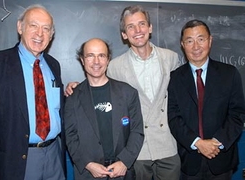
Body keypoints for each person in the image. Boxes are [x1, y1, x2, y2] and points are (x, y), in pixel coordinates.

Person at [65, 5, 181, 180]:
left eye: (142, 24)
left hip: (165, 146)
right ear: (124, 34)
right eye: (130, 26)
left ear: (150, 28)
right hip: (137, 155)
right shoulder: (116, 67)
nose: (138, 30)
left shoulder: (171, 59)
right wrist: (74, 87)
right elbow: (94, 81)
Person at [0, 4, 66, 180]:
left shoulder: (54, 65)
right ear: (20, 27)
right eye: (33, 25)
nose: (40, 33)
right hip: (15, 160)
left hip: (54, 155)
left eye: (46, 28)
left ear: (51, 34)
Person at [167, 19, 245, 180]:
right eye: (190, 41)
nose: (196, 47)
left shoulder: (229, 74)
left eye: (201, 39)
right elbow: (174, 118)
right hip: (188, 161)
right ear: (182, 45)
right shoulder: (175, 78)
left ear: (210, 40)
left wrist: (217, 142)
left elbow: (237, 114)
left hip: (221, 158)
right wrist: (198, 143)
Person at [64, 38, 144, 180]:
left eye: (101, 55)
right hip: (88, 174)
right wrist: (88, 164)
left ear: (108, 60)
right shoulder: (72, 97)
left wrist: (124, 161)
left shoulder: (128, 92)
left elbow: (137, 131)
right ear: (82, 60)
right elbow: (70, 136)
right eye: (90, 56)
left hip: (122, 173)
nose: (96, 61)